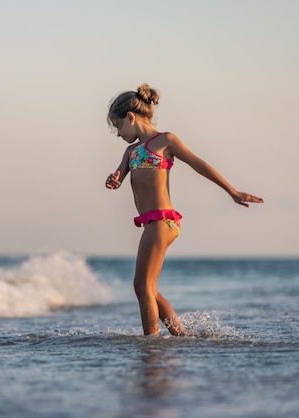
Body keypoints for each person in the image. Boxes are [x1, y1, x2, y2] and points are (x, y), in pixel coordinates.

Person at [105, 83, 263, 336]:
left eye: (117, 126)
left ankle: (152, 344)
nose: (117, 133)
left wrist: (232, 191)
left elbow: (198, 164)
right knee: (149, 289)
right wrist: (112, 180)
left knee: (142, 286)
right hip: (151, 223)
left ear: (131, 117)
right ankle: (181, 336)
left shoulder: (165, 140)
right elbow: (118, 177)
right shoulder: (130, 151)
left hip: (162, 221)